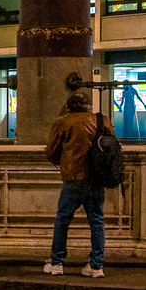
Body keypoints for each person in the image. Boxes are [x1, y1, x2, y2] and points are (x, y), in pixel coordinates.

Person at [42, 89, 108, 278]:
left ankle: (57, 263)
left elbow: (51, 152)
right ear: (88, 106)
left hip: (72, 178)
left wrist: (63, 160)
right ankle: (96, 266)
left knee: (63, 220)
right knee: (96, 220)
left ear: (69, 107)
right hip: (96, 179)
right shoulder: (102, 120)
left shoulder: (63, 122)